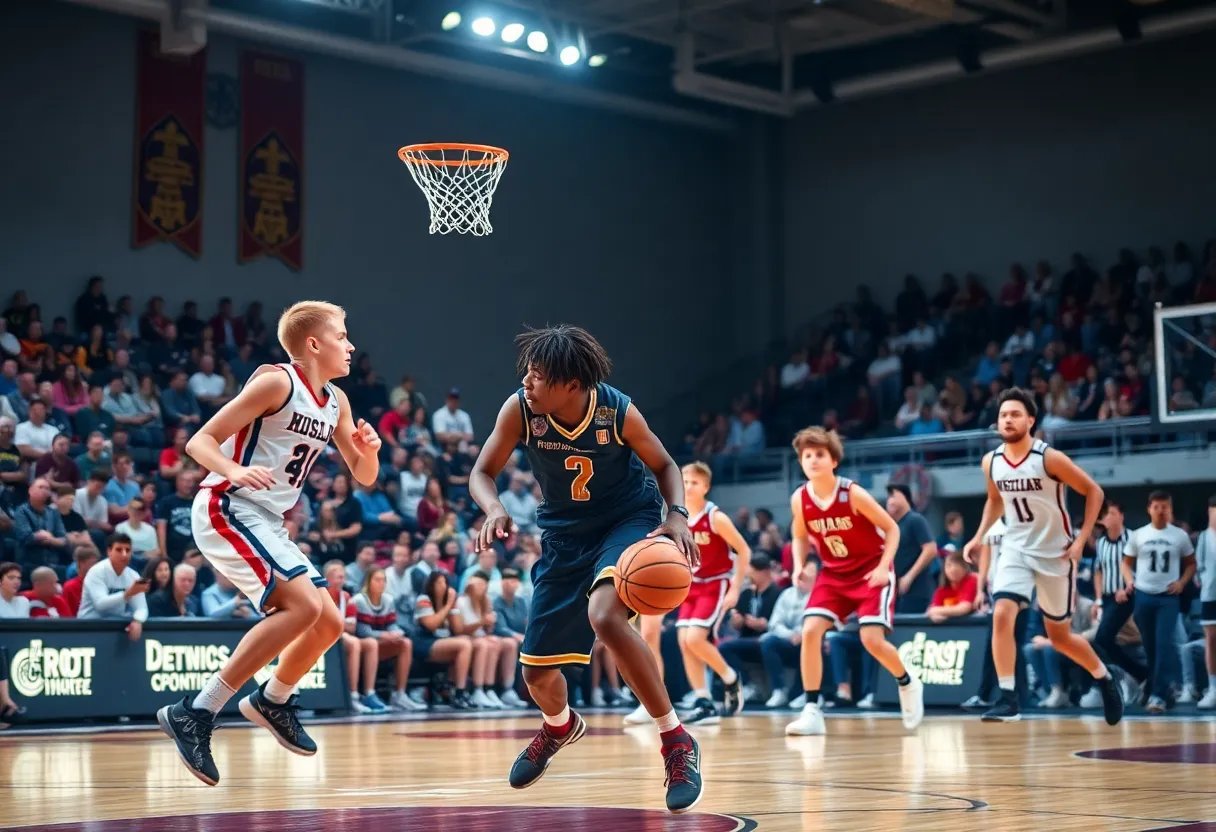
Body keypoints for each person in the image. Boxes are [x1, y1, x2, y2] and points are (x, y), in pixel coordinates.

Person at [468, 325, 703, 813]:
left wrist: (676, 515)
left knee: (605, 614)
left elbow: (664, 465)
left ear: (572, 385)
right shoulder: (521, 410)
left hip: (626, 519)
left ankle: (676, 740)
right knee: (536, 675)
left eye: (538, 377)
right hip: (563, 535)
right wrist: (492, 508)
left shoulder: (616, 409)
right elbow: (481, 472)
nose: (527, 383)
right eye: (527, 374)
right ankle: (559, 726)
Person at [157, 301, 382, 787]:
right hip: (227, 504)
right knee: (301, 607)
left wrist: (369, 453)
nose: (351, 345)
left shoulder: (337, 402)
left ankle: (272, 699)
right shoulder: (277, 382)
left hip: (268, 519)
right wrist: (234, 470)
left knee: (330, 622)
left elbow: (364, 478)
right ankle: (196, 711)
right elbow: (200, 441)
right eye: (343, 336)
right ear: (314, 344)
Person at [963, 387, 1124, 725]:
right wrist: (978, 536)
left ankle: (1105, 677)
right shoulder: (991, 461)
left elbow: (1095, 492)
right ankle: (1008, 699)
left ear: (1031, 421)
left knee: (1059, 637)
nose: (1008, 419)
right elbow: (994, 500)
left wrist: (1081, 541)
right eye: (1004, 414)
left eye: (1015, 414)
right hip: (1015, 548)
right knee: (1002, 614)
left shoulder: (1048, 458)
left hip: (1055, 553)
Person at [785, 427, 923, 736]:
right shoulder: (800, 499)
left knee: (871, 640)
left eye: (820, 454)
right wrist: (800, 565)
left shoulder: (852, 494)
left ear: (834, 460)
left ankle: (907, 682)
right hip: (833, 575)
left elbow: (892, 529)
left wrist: (884, 567)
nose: (813, 460)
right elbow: (799, 536)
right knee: (810, 631)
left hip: (870, 571)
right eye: (807, 455)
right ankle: (812, 710)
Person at [669, 462, 751, 726]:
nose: (689, 485)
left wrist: (736, 587)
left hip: (716, 584)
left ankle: (730, 678)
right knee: (683, 641)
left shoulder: (715, 517)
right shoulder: (677, 518)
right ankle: (704, 701)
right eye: (685, 480)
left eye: (695, 482)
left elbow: (744, 550)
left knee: (694, 638)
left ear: (706, 487)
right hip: (691, 584)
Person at [1123, 490, 1195, 713]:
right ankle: (1160, 689)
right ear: (1149, 509)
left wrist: (1182, 583)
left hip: (1167, 597)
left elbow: (1191, 563)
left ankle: (1158, 695)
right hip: (1144, 595)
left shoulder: (1179, 536)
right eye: (1157, 507)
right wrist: (1130, 582)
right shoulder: (1138, 534)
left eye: (1165, 507)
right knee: (1151, 647)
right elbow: (1126, 563)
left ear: (1170, 510)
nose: (1161, 511)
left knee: (1164, 644)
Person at [353, 565, 426, 712]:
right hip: (362, 647)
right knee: (372, 643)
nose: (381, 583)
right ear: (368, 582)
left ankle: (400, 694)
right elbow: (361, 631)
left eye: (384, 580)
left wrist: (396, 633)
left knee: (405, 643)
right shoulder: (359, 600)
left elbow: (392, 624)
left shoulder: (388, 600)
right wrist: (384, 635)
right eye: (377, 580)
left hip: (380, 644)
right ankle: (369, 693)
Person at [1091, 502, 1146, 690]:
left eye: (1112, 513)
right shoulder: (1101, 542)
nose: (1107, 517)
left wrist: (1128, 587)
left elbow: (1141, 568)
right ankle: (1137, 675)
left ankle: (1133, 676)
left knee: (1102, 638)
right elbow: (1098, 571)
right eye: (1105, 514)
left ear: (1121, 516)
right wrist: (1098, 600)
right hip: (1107, 598)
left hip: (1128, 596)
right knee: (1103, 641)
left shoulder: (1133, 538)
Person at [322, 560, 386, 714]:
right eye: (339, 577)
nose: (342, 581)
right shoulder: (321, 594)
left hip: (339, 637)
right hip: (321, 638)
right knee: (354, 643)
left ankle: (369, 693)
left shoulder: (346, 597)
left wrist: (336, 623)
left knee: (371, 643)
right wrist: (339, 624)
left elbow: (351, 627)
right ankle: (353, 695)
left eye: (343, 577)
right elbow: (321, 624)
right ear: (328, 578)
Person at [760, 559, 818, 708]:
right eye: (802, 573)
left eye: (809, 574)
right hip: (788, 640)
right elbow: (775, 623)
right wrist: (790, 635)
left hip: (808, 639)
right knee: (768, 641)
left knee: (812, 642)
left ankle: (804, 693)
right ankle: (779, 690)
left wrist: (801, 634)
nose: (804, 577)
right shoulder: (787, 594)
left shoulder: (820, 593)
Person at [76, 533, 148, 635]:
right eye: (119, 550)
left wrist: (137, 620)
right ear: (109, 551)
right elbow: (100, 604)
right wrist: (127, 594)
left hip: (115, 628)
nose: (124, 554)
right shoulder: (96, 572)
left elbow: (141, 608)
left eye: (127, 550)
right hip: (89, 627)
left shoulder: (133, 575)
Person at [1195, 495, 1216, 710]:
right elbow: (1199, 568)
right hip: (1210, 595)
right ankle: (1213, 688)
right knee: (1210, 640)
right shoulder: (1203, 537)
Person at [925, 553, 979, 622]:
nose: (953, 569)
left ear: (965, 569)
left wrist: (935, 611)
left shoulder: (971, 580)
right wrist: (934, 613)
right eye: (949, 566)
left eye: (957, 565)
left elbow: (965, 608)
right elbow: (931, 611)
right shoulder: (941, 591)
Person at [62, 545, 99, 616]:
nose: (96, 567)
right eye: (93, 563)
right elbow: (67, 616)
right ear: (81, 563)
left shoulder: (101, 584)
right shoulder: (70, 587)